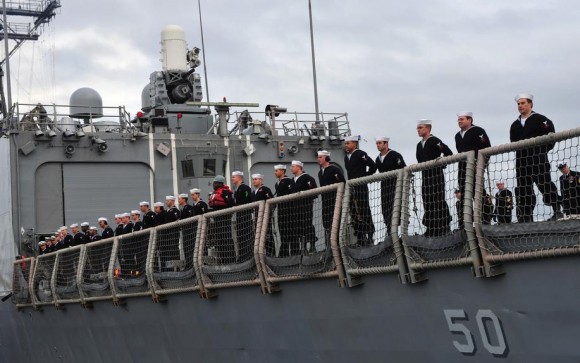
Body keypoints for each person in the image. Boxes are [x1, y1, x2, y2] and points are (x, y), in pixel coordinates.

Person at [510, 93, 562, 222]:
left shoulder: (540, 119)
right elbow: (513, 143)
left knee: (545, 184)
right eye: (518, 104)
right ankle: (526, 217)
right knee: (524, 189)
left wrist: (540, 150)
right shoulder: (514, 125)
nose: (520, 106)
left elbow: (551, 137)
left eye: (523, 103)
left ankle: (557, 210)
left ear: (530, 104)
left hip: (538, 159)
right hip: (521, 162)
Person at [454, 111, 493, 225]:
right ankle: (465, 222)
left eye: (462, 119)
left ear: (469, 119)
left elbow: (487, 149)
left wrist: (481, 165)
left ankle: (485, 218)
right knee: (464, 194)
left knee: (479, 192)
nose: (459, 121)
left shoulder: (478, 131)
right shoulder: (457, 135)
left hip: (476, 166)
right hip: (462, 168)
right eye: (458, 120)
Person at [416, 119, 453, 237]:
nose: (418, 130)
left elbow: (448, 152)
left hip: (436, 176)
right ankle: (431, 227)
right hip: (425, 177)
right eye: (418, 128)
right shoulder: (419, 145)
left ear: (428, 128)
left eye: (421, 127)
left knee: (438, 200)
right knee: (427, 200)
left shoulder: (435, 141)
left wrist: (441, 164)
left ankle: (442, 226)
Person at [344, 135, 377, 246]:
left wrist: (365, 177)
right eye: (345, 143)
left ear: (354, 144)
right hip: (351, 188)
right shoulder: (346, 157)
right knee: (353, 211)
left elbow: (372, 166)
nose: (346, 145)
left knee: (364, 209)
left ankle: (370, 235)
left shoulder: (360, 154)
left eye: (348, 143)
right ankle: (360, 236)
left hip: (360, 186)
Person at [375, 137, 406, 234]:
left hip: (395, 186)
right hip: (384, 187)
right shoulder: (378, 159)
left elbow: (403, 168)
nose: (378, 145)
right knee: (386, 208)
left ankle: (400, 233)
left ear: (386, 144)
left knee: (396, 208)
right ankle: (390, 232)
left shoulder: (395, 155)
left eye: (380, 143)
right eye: (377, 143)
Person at [317, 150, 345, 246]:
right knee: (326, 222)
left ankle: (337, 243)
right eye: (318, 157)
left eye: (320, 157)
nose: (318, 159)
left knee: (335, 221)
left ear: (326, 158)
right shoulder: (320, 173)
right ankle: (329, 244)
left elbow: (342, 182)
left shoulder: (334, 169)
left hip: (334, 200)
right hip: (325, 200)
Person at [291, 160, 318, 253]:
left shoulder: (307, 178)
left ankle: (312, 245)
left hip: (305, 207)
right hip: (296, 208)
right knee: (298, 226)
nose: (291, 168)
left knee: (307, 225)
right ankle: (303, 247)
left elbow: (314, 191)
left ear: (299, 167)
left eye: (293, 166)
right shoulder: (292, 180)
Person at [208, 175, 235, 263]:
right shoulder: (214, 193)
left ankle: (230, 260)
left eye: (215, 183)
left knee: (226, 239)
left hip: (224, 219)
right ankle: (223, 260)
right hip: (216, 220)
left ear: (220, 183)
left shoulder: (225, 192)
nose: (213, 185)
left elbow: (231, 203)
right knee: (219, 240)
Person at [274, 164, 295, 257]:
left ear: (282, 171)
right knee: (282, 230)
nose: (275, 172)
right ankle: (284, 252)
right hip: (281, 210)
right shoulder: (277, 183)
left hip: (288, 210)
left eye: (277, 170)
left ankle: (293, 252)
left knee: (290, 231)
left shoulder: (288, 181)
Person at [232, 171, 254, 261]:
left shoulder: (245, 188)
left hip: (245, 215)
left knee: (246, 235)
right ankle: (241, 257)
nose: (232, 179)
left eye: (234, 177)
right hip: (239, 215)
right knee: (240, 236)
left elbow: (248, 199)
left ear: (239, 178)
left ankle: (247, 256)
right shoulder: (237, 189)